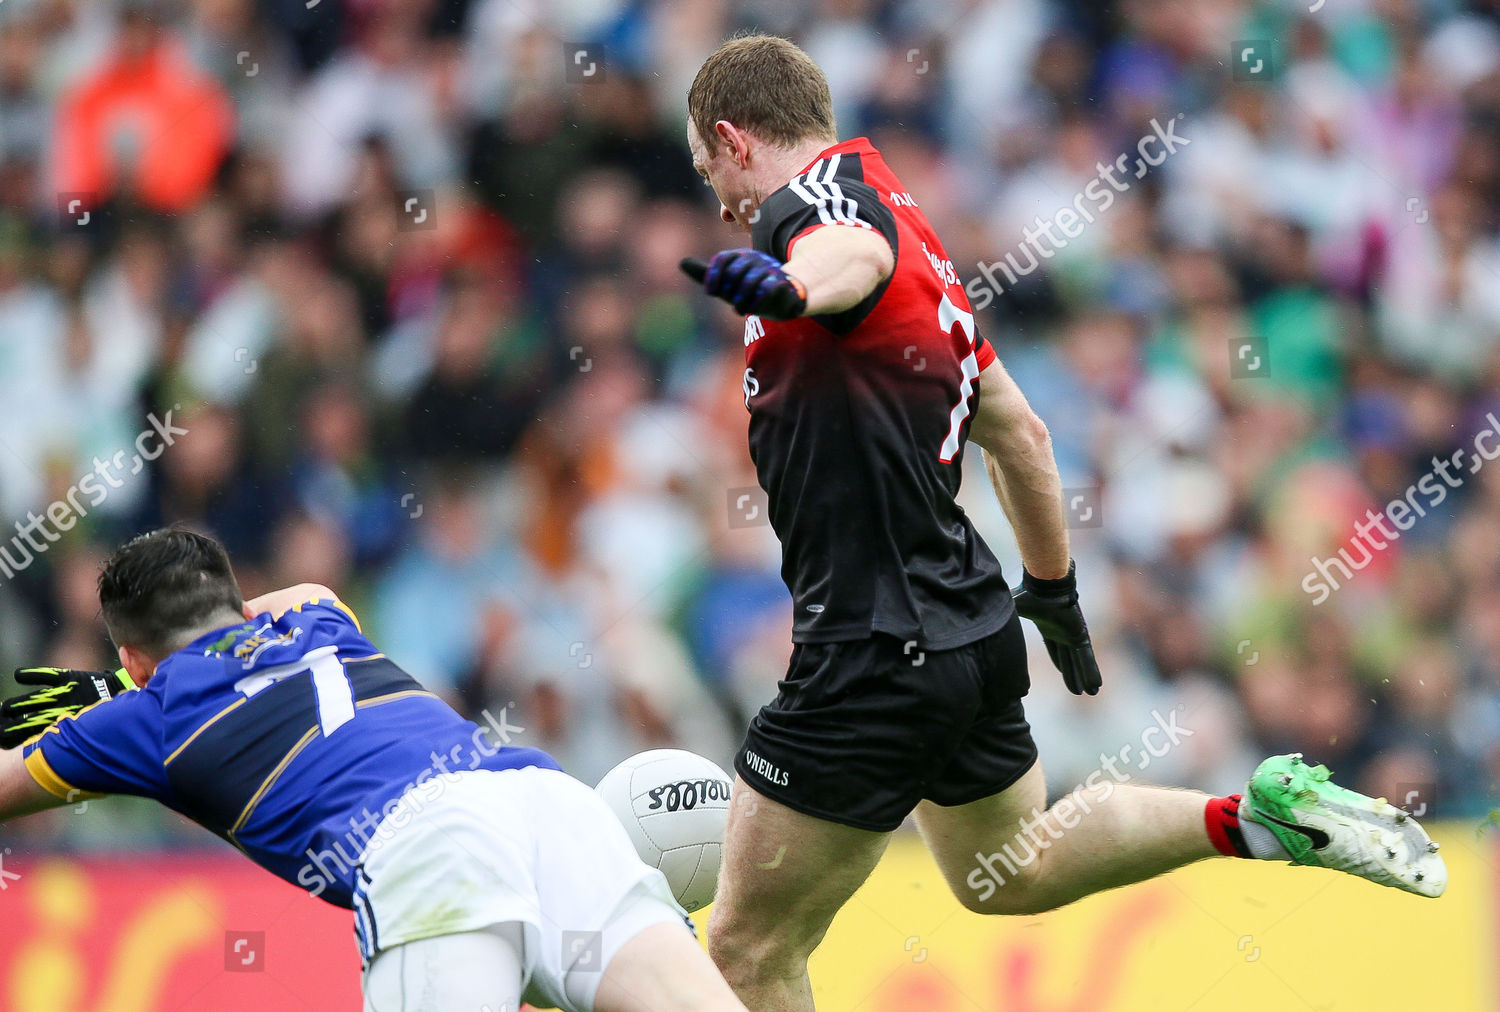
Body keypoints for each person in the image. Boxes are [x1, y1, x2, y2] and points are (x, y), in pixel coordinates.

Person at [678, 33, 1445, 1011]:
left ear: (734, 140)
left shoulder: (818, 213)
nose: (718, 203)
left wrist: (792, 285)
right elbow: (1024, 436)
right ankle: (1258, 818)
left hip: (870, 646)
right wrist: (1052, 592)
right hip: (966, 619)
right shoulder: (925, 255)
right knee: (1010, 865)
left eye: (711, 173)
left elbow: (844, 254)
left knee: (746, 948)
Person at [0, 527, 745, 1012]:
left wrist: (116, 694)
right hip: (546, 800)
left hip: (430, 849)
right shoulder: (319, 619)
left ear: (132, 659)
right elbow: (290, 597)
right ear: (232, 603)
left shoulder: (144, 718)